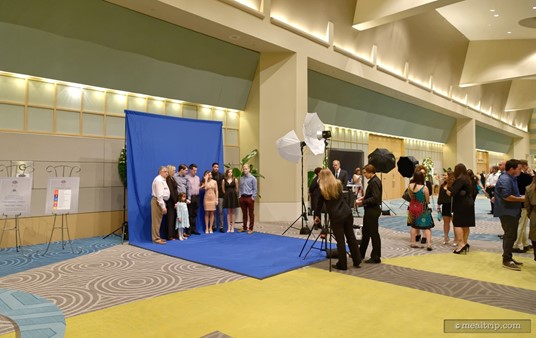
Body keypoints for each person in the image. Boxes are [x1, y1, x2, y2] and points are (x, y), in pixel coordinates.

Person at [313, 168, 361, 270]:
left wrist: (316, 216)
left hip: (336, 216)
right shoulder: (338, 184)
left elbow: (319, 205)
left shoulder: (322, 188)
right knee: (351, 237)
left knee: (340, 240)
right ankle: (357, 260)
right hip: (347, 212)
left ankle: (342, 264)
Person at [494, 159, 525, 270]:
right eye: (519, 168)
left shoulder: (511, 178)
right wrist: (522, 199)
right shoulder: (506, 179)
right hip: (507, 212)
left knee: (511, 235)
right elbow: (506, 196)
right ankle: (506, 259)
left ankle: (508, 257)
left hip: (512, 211)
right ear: (512, 169)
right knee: (510, 235)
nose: (520, 171)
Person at [356, 164, 382, 264]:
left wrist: (363, 202)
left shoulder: (374, 182)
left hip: (372, 210)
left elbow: (375, 198)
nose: (364, 174)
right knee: (366, 233)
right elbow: (372, 195)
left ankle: (376, 256)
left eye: (365, 173)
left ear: (370, 172)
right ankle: (360, 254)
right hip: (370, 210)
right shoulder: (374, 181)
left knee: (373, 234)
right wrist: (364, 198)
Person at [447, 163, 475, 254]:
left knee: (457, 223)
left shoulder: (460, 179)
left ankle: (460, 244)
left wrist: (448, 188)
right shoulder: (468, 179)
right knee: (466, 224)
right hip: (469, 203)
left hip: (461, 204)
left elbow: (453, 192)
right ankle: (465, 242)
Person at [407, 171, 434, 250]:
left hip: (412, 207)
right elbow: (427, 200)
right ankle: (429, 244)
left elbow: (410, 196)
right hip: (422, 208)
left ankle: (413, 242)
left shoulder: (410, 186)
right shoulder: (424, 188)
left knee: (414, 226)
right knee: (426, 226)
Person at [513, 160, 533, 253]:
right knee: (521, 225)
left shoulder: (512, 177)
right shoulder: (527, 178)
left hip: (514, 203)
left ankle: (525, 243)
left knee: (522, 225)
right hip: (523, 204)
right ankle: (516, 245)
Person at [151, 166, 170, 244]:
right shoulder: (159, 180)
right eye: (165, 171)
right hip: (158, 202)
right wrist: (163, 207)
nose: (167, 173)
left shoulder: (163, 180)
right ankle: (155, 239)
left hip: (160, 201)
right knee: (156, 221)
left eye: (167, 171)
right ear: (160, 172)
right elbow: (159, 195)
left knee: (158, 221)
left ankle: (157, 237)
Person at [437, 172, 455, 245]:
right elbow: (440, 196)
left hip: (453, 205)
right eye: (443, 175)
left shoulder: (454, 185)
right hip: (445, 206)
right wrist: (438, 206)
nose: (444, 176)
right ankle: (446, 236)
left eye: (445, 175)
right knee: (446, 222)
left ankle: (456, 238)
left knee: (454, 223)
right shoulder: (442, 185)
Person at [239, 164, 257, 234]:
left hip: (250, 197)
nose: (245, 170)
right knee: (244, 213)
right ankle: (244, 227)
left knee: (251, 214)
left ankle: (251, 228)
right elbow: (240, 188)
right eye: (244, 169)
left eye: (246, 169)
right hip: (242, 198)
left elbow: (255, 189)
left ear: (249, 169)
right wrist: (240, 196)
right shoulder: (241, 178)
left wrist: (253, 197)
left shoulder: (253, 178)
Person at [186, 163, 201, 235]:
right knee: (189, 213)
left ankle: (194, 229)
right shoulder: (186, 177)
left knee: (195, 214)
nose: (195, 172)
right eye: (194, 170)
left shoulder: (197, 178)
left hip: (197, 197)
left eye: (196, 170)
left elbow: (199, 187)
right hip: (190, 197)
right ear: (190, 170)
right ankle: (188, 230)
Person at [222, 168, 239, 232]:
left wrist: (233, 193)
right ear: (227, 173)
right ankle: (229, 227)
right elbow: (223, 190)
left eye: (231, 172)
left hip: (233, 196)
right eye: (229, 172)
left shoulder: (235, 180)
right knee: (228, 212)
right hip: (227, 197)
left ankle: (233, 227)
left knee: (233, 212)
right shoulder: (224, 180)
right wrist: (227, 194)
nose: (230, 173)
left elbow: (237, 189)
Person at [524, 174, 536, 261]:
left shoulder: (529, 188)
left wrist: (530, 214)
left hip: (534, 213)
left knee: (534, 236)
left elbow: (527, 205)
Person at [165, 165, 179, 240]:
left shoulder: (172, 178)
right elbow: (171, 191)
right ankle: (169, 235)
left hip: (174, 201)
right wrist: (175, 202)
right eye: (174, 170)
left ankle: (173, 234)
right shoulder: (168, 179)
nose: (175, 172)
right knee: (170, 218)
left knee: (173, 218)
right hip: (171, 202)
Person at [211, 163, 225, 232]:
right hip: (211, 196)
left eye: (217, 167)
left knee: (220, 211)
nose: (216, 168)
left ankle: (221, 226)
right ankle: (214, 226)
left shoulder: (222, 175)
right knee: (213, 211)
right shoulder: (209, 175)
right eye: (215, 167)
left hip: (220, 196)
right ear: (212, 167)